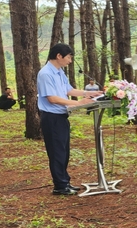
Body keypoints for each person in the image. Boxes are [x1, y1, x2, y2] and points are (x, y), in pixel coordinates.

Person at [37, 43, 103, 195]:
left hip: (61, 116)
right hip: (52, 118)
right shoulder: (46, 74)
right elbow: (52, 98)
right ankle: (59, 186)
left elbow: (69, 90)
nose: (70, 61)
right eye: (69, 57)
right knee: (57, 152)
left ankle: (64, 181)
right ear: (59, 56)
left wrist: (89, 94)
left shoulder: (59, 72)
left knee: (64, 151)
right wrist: (78, 103)